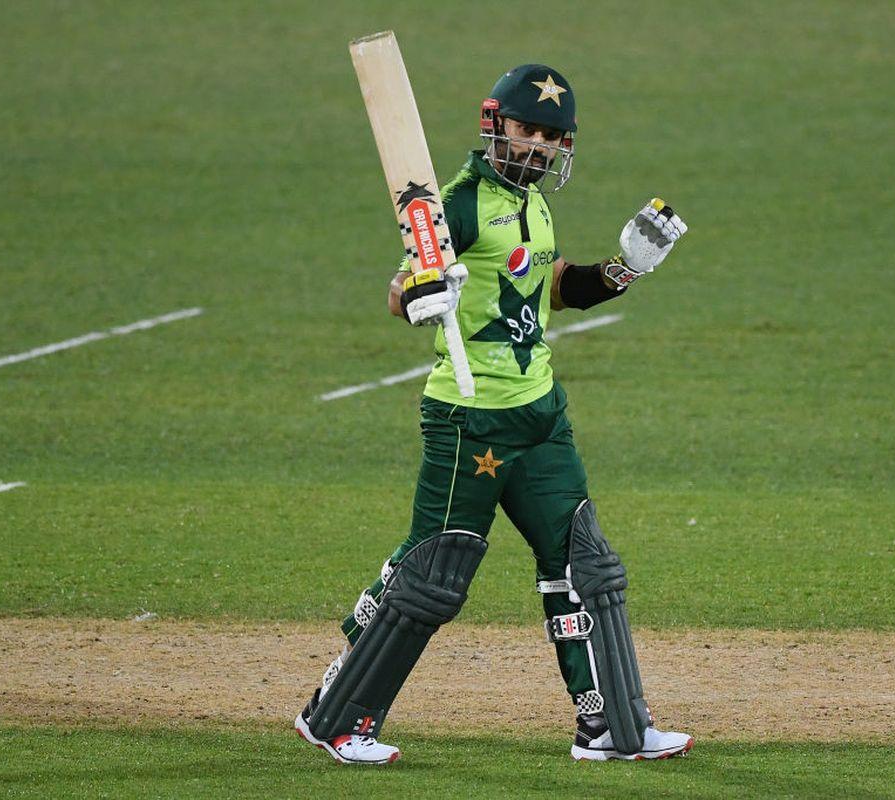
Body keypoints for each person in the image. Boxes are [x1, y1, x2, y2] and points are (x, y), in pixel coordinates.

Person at [295, 63, 690, 765]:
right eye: (527, 130)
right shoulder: (462, 201)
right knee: (434, 577)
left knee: (586, 566)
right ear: (494, 125)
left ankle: (614, 729)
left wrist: (622, 270)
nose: (538, 146)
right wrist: (421, 296)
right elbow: (402, 287)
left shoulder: (532, 205)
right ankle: (338, 719)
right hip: (469, 418)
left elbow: (552, 288)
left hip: (540, 415)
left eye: (551, 136)